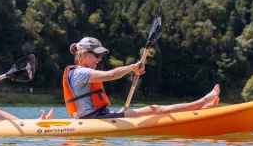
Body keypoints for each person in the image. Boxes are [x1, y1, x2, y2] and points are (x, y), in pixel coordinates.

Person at [63, 37, 220, 119]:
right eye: (96, 55)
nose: (99, 59)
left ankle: (200, 109)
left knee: (151, 110)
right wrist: (132, 67)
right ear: (83, 55)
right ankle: (202, 102)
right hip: (97, 119)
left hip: (98, 117)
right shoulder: (80, 73)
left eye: (100, 56)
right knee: (155, 109)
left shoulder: (76, 72)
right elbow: (110, 75)